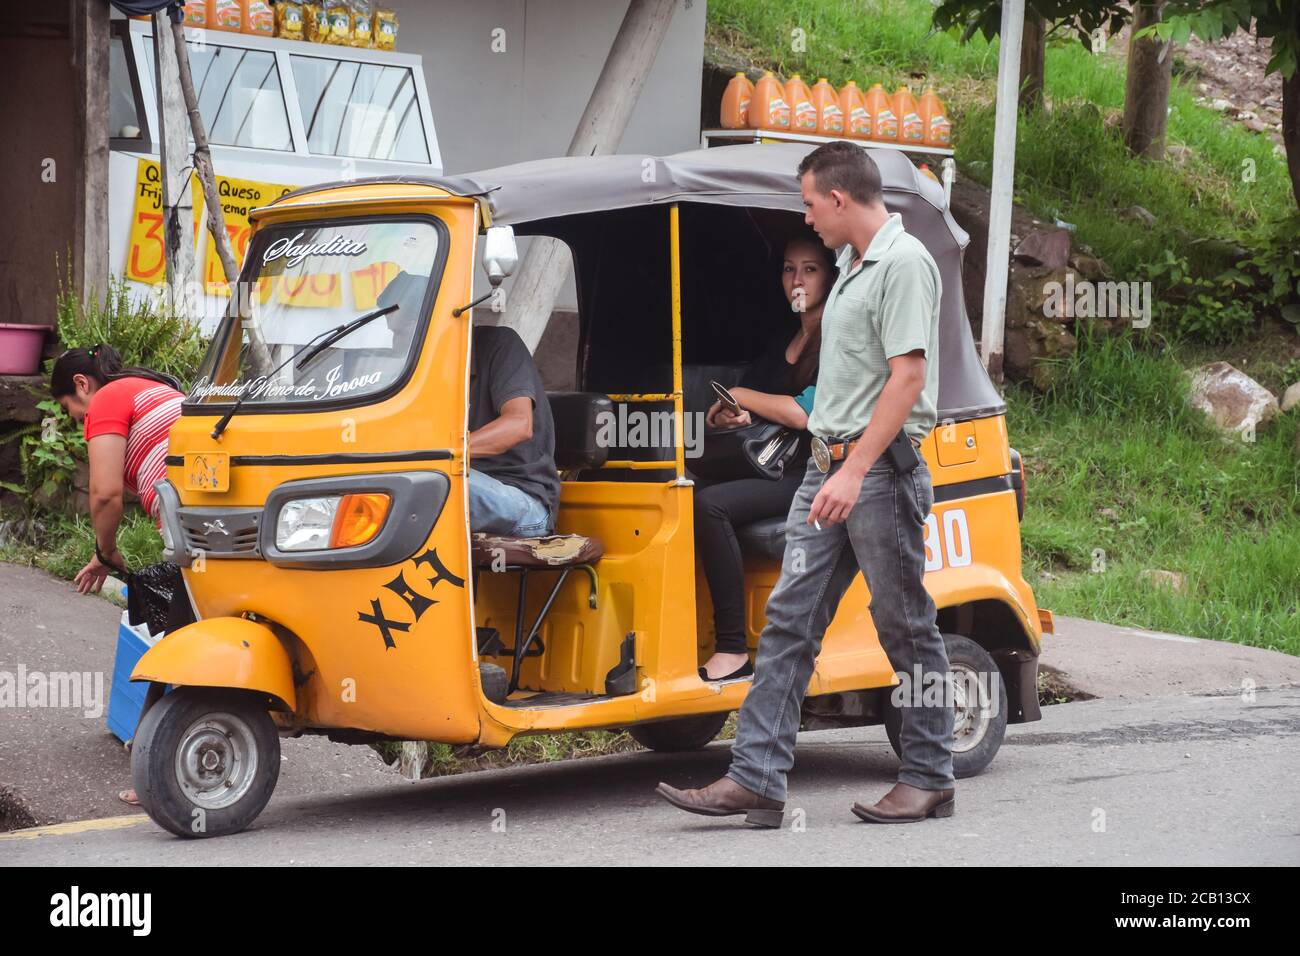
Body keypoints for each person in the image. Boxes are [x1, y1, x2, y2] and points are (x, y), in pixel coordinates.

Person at [657, 141, 956, 826]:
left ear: (840, 198)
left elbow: (906, 381)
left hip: (876, 475)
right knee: (790, 623)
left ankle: (930, 775)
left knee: (907, 628)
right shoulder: (851, 267)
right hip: (827, 471)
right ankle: (756, 778)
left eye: (810, 203)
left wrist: (853, 470)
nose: (807, 217)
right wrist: (833, 464)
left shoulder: (903, 265)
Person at [50, 344, 187, 806]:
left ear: (81, 385)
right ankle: (172, 757)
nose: (76, 423)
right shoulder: (153, 389)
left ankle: (163, 775)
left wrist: (105, 550)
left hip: (196, 524)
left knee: (179, 638)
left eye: (70, 411)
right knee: (187, 629)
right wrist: (102, 554)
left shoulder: (107, 399)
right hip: (222, 518)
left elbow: (106, 494)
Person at [694, 234, 834, 681]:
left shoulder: (836, 339)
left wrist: (741, 395)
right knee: (682, 486)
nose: (797, 279)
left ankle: (733, 648)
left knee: (709, 505)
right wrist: (724, 415)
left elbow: (800, 413)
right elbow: (738, 408)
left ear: (830, 277)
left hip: (808, 472)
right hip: (763, 462)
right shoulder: (782, 340)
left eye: (810, 269)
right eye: (789, 269)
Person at [468, 324, 560, 537]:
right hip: (467, 479)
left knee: (432, 484)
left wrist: (441, 452)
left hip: (524, 499)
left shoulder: (499, 344)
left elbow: (519, 425)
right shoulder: (418, 373)